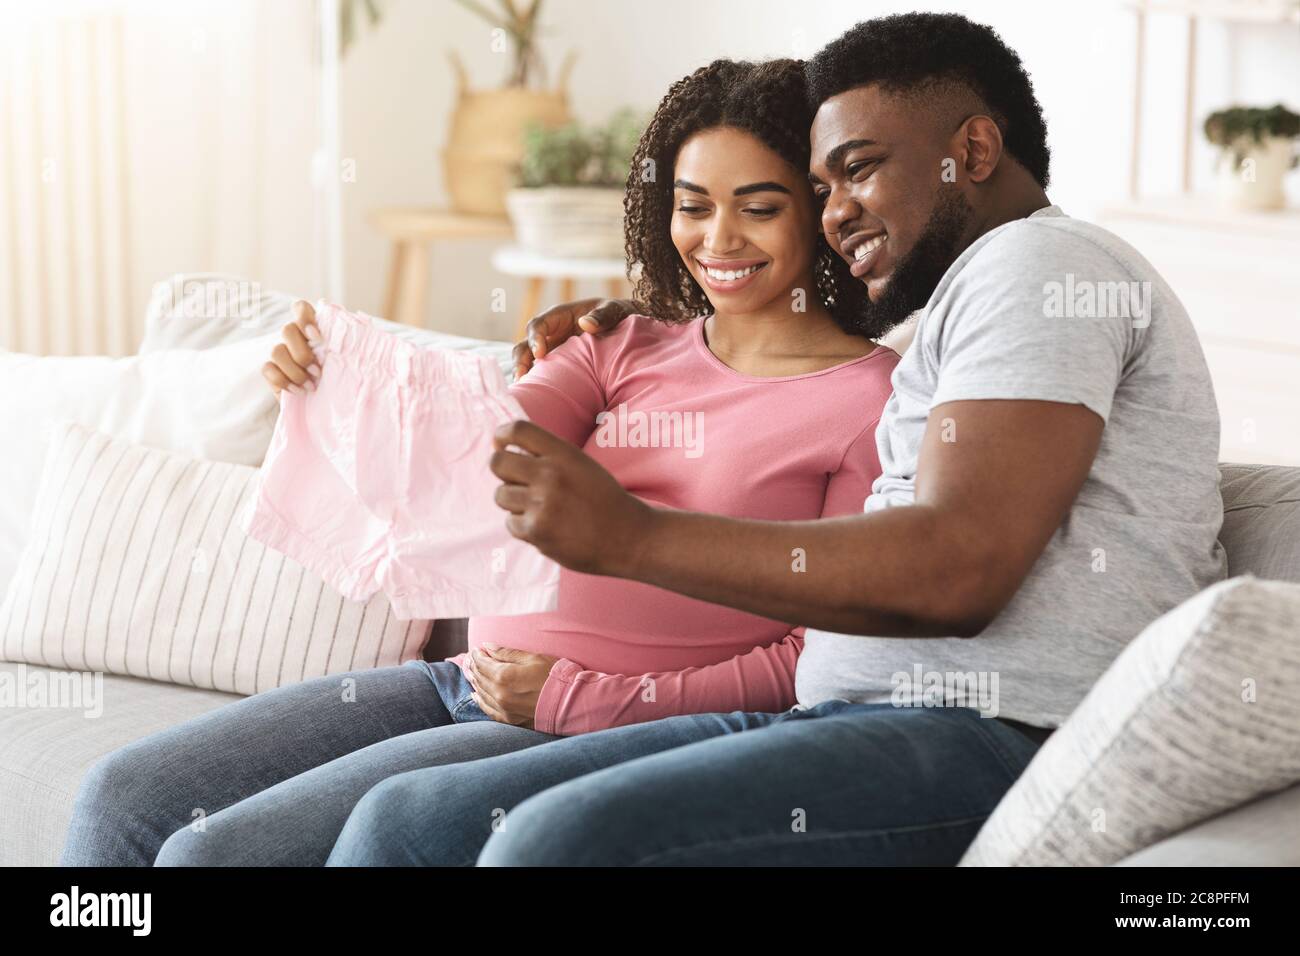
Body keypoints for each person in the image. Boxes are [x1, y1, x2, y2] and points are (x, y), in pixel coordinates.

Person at [323, 12, 1227, 867]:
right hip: (845, 719)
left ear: (974, 150)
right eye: (822, 188)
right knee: (410, 823)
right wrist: (662, 322)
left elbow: (961, 565)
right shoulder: (963, 310)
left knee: (544, 845)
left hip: (981, 734)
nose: (835, 215)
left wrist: (633, 537)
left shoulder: (1043, 264)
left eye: (859, 169)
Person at [59, 59, 900, 867]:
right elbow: (463, 457)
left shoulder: (869, 402)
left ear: (820, 210)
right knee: (119, 796)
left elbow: (811, 659)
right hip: (461, 681)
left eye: (758, 208)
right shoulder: (616, 345)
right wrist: (330, 382)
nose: (717, 238)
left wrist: (581, 698)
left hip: (598, 723)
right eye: (693, 206)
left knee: (212, 854)